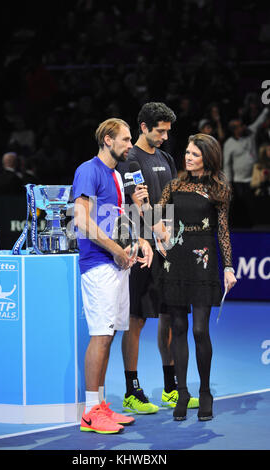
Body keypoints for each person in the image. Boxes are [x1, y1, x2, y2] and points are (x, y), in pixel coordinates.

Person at [138, 133, 237, 421]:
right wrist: (145, 207)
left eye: (194, 154)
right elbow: (157, 217)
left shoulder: (219, 187)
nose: (187, 157)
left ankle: (205, 392)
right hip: (176, 260)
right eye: (187, 152)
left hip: (203, 262)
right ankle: (182, 392)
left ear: (207, 157)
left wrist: (228, 267)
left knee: (199, 331)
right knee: (178, 328)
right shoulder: (175, 184)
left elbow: (222, 230)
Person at [73, 117, 153, 434]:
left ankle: (101, 405)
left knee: (110, 335)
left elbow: (118, 219)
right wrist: (116, 251)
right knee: (101, 336)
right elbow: (81, 221)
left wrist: (139, 241)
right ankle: (90, 411)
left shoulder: (117, 176)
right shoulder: (88, 170)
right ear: (108, 139)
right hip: (98, 264)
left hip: (118, 265)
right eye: (125, 139)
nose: (130, 145)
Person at [117, 102, 199, 414]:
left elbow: (170, 202)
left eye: (167, 131)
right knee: (135, 321)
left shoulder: (164, 157)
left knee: (170, 317)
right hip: (141, 250)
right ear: (144, 127)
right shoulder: (131, 159)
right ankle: (131, 390)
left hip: (168, 249)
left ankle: (170, 388)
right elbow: (137, 205)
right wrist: (155, 233)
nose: (165, 136)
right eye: (159, 131)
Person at [223, 107, 269, 227]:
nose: (244, 127)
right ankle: (244, 227)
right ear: (235, 130)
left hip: (254, 178)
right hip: (239, 181)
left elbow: (259, 121)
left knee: (257, 205)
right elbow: (227, 165)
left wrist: (266, 109)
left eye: (243, 125)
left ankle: (257, 226)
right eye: (240, 126)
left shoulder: (250, 132)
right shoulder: (229, 144)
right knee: (244, 206)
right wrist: (229, 183)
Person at [250, 142, 270, 225]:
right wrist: (261, 181)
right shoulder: (258, 167)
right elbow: (253, 184)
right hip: (261, 196)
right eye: (269, 150)